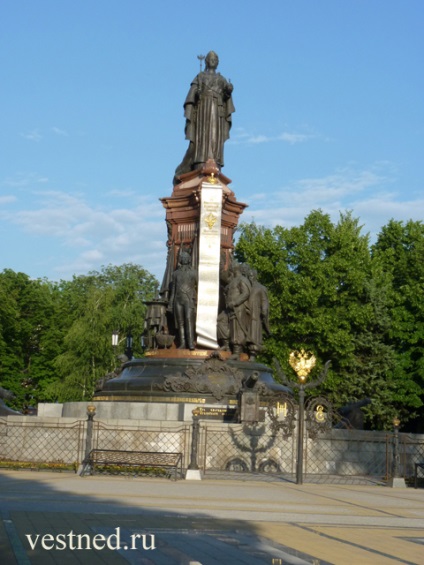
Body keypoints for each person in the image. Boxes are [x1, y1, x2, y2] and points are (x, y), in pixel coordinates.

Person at [174, 51, 235, 181]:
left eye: (215, 59)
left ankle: (215, 162)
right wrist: (197, 92)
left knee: (214, 137)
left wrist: (229, 91)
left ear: (217, 63)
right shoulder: (200, 76)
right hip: (203, 111)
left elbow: (227, 98)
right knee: (202, 136)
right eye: (210, 58)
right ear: (206, 61)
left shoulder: (222, 79)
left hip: (217, 112)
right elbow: (192, 94)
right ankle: (200, 162)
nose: (212, 60)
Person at [167, 251, 198, 350]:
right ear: (180, 260)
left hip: (189, 300)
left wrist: (196, 299)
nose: (184, 258)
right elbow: (174, 289)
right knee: (180, 322)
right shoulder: (175, 274)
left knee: (189, 320)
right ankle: (183, 342)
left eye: (186, 257)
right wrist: (171, 304)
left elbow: (200, 287)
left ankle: (190, 342)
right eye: (182, 257)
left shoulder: (194, 272)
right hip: (178, 300)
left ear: (189, 259)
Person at [246, 268, 271, 360]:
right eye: (249, 276)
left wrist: (264, 311)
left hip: (255, 315)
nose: (250, 277)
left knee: (254, 335)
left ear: (255, 276)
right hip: (246, 314)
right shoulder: (247, 286)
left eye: (251, 275)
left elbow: (264, 301)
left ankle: (252, 354)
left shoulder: (261, 288)